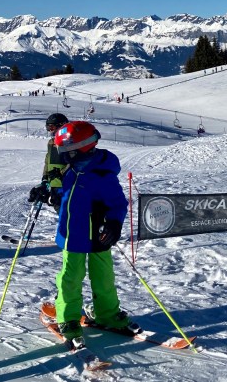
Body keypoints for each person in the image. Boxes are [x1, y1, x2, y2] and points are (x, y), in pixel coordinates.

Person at [51, 120, 137, 349]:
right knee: (70, 278)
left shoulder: (101, 174)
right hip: (73, 235)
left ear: (83, 147)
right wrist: (50, 194)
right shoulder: (72, 169)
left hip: (98, 235)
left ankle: (107, 314)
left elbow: (118, 203)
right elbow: (65, 194)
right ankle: (68, 318)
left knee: (104, 277)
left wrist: (114, 224)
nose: (64, 156)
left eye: (67, 151)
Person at [29, 113, 69, 213]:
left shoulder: (69, 142)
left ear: (61, 127)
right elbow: (48, 162)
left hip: (67, 185)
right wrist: (45, 178)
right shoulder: (51, 142)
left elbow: (76, 162)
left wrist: (61, 173)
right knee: (62, 214)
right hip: (54, 185)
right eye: (48, 127)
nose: (50, 130)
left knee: (69, 215)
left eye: (52, 127)